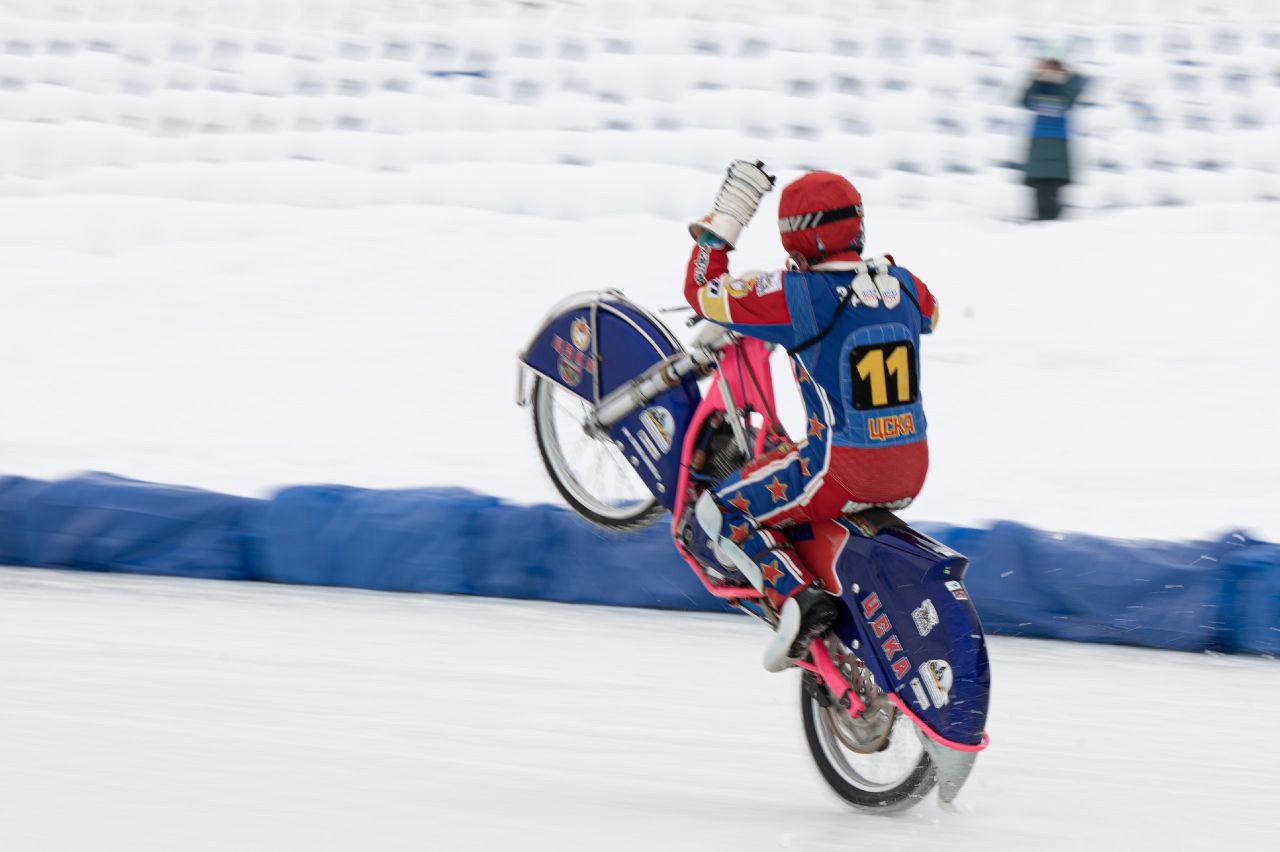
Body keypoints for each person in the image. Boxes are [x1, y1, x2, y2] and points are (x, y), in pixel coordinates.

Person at [682, 161, 939, 671]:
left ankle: (796, 597)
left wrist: (724, 223)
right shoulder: (906, 285)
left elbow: (703, 292)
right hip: (911, 469)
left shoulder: (796, 296)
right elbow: (931, 313)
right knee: (790, 461)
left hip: (839, 472)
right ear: (858, 227)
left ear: (795, 241)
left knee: (718, 512)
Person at [1021, 57, 1086, 220]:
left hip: (1054, 141)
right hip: (1042, 140)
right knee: (1041, 183)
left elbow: (1067, 98)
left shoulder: (1063, 88)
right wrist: (1037, 78)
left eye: (1052, 69)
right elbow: (1026, 101)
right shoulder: (1042, 86)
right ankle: (1045, 219)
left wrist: (1065, 76)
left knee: (1049, 184)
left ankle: (1049, 219)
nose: (1049, 72)